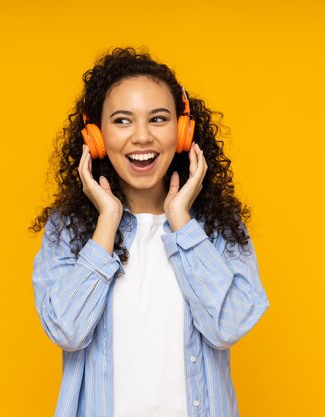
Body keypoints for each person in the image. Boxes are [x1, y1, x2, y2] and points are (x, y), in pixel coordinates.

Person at [29, 47, 270, 417]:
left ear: (183, 130)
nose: (142, 137)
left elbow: (230, 324)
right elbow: (67, 331)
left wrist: (181, 221)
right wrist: (107, 220)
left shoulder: (217, 228)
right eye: (123, 121)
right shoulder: (69, 231)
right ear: (95, 135)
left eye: (158, 119)